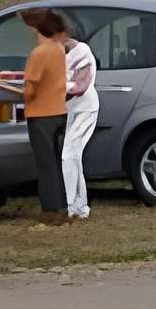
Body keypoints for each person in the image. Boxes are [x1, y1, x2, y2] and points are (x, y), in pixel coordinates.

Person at [13, 9, 72, 222]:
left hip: (40, 114)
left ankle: (50, 209)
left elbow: (30, 90)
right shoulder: (58, 49)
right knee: (57, 162)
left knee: (45, 164)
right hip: (59, 111)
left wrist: (12, 90)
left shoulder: (38, 53)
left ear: (37, 29)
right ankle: (63, 205)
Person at [58, 19, 100, 220]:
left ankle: (75, 206)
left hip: (85, 109)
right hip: (74, 110)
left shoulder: (82, 52)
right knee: (73, 156)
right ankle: (78, 206)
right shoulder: (62, 54)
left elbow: (79, 87)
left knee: (69, 155)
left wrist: (55, 86)